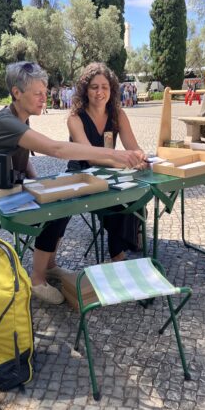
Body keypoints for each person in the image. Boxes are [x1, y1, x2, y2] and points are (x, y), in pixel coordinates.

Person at [0, 61, 145, 305]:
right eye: (38, 94)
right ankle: (37, 279)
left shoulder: (19, 117)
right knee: (55, 208)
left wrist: (37, 183)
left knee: (62, 200)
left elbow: (22, 161)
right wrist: (118, 155)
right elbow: (57, 149)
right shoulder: (6, 122)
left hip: (10, 189)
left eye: (45, 92)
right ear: (17, 93)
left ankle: (49, 266)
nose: (44, 98)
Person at [66, 62, 147, 261]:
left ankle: (131, 237)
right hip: (82, 173)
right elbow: (90, 156)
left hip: (111, 170)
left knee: (139, 191)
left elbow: (133, 146)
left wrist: (139, 156)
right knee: (116, 201)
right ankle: (117, 255)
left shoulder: (118, 114)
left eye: (105, 87)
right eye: (94, 87)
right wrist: (123, 162)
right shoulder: (75, 118)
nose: (100, 92)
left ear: (111, 90)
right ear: (85, 90)